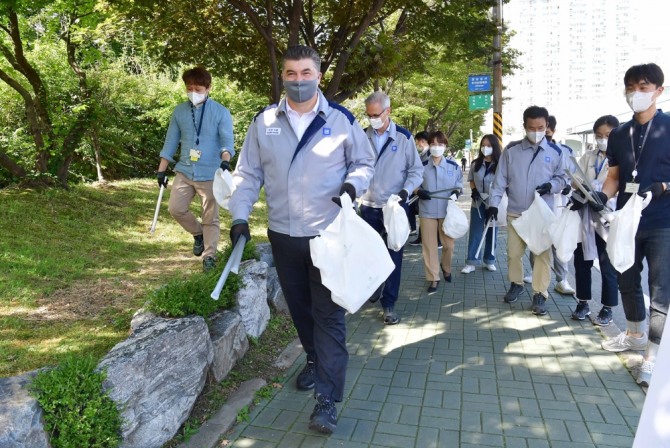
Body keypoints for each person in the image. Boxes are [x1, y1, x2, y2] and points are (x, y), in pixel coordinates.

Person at [228, 46, 374, 434]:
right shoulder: (264, 123)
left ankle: (327, 400)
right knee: (301, 310)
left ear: (319, 76)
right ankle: (312, 358)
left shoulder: (341, 120)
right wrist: (239, 217)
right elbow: (247, 175)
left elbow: (364, 163)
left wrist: (352, 186)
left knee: (328, 317)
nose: (298, 81)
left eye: (305, 73)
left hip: (328, 236)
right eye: (290, 74)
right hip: (283, 236)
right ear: (283, 77)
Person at [597, 63, 670, 387]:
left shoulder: (669, 126)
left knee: (659, 290)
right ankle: (634, 333)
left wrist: (664, 187)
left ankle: (653, 357)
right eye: (630, 87)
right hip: (627, 220)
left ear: (659, 90)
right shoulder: (619, 134)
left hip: (662, 221)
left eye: (643, 87)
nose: (635, 94)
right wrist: (600, 197)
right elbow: (614, 176)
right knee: (625, 278)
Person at [488, 106, 569, 315]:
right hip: (516, 212)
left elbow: (563, 179)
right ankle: (516, 283)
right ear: (524, 126)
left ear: (547, 126)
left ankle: (540, 294)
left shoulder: (556, 152)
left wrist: (551, 186)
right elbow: (499, 181)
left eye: (540, 127)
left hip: (542, 215)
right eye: (531, 127)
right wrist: (493, 205)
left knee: (542, 255)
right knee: (513, 254)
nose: (536, 131)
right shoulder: (511, 151)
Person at [157, 67, 235, 272]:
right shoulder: (179, 111)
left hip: (210, 173)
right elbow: (170, 143)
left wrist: (225, 161)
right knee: (176, 209)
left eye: (198, 88)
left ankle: (210, 256)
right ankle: (198, 233)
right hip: (184, 170)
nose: (193, 92)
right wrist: (161, 170)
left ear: (208, 88)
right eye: (189, 88)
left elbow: (227, 143)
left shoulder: (220, 112)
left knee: (210, 216)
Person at [360, 92, 423, 324]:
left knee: (394, 255)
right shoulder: (361, 136)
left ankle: (389, 304)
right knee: (367, 253)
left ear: (388, 111)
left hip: (394, 208)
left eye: (376, 114)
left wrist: (406, 192)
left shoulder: (404, 138)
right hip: (367, 206)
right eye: (369, 115)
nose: (372, 119)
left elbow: (416, 171)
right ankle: (374, 285)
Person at [569, 115, 620, 325]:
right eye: (599, 135)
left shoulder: (624, 158)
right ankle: (583, 302)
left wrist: (605, 198)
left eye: (607, 135)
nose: (602, 139)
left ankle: (607, 308)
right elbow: (575, 181)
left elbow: (625, 187)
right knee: (582, 263)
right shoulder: (589, 157)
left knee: (608, 267)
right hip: (587, 218)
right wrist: (581, 196)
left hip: (609, 218)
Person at [416, 131, 463, 293]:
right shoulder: (420, 166)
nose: (437, 147)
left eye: (440, 144)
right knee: (429, 247)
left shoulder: (453, 166)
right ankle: (433, 278)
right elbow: (413, 182)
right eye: (434, 144)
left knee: (449, 245)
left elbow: (459, 184)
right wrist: (418, 191)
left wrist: (457, 193)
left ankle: (446, 267)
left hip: (446, 212)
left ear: (445, 146)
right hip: (427, 211)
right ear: (429, 145)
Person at [540, 115, 577, 295]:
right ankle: (538, 277)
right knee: (538, 243)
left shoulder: (566, 151)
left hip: (560, 204)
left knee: (559, 243)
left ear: (552, 130)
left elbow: (573, 176)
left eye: (546, 131)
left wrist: (567, 187)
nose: (543, 135)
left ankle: (562, 279)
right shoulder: (532, 151)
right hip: (540, 205)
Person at [461, 135, 501, 274]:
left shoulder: (501, 165)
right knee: (476, 231)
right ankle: (471, 261)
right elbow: (471, 179)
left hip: (494, 204)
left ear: (495, 147)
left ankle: (489, 260)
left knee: (492, 232)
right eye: (483, 145)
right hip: (478, 203)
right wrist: (473, 191)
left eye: (489, 145)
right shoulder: (475, 164)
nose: (486, 148)